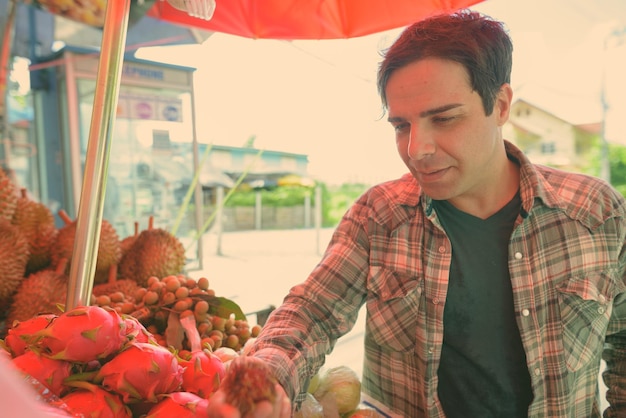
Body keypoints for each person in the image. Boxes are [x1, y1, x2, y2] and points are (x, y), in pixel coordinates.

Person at [208, 9, 626, 418]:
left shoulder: (595, 213)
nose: (416, 149)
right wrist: (263, 382)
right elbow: (311, 313)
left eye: (443, 118)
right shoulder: (379, 216)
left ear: (500, 105)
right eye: (401, 126)